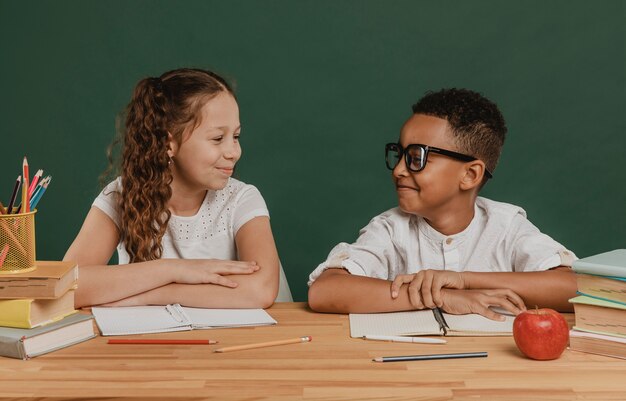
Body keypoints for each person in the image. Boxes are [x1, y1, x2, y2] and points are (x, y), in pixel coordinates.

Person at [308, 88, 577, 319]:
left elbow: (576, 287)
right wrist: (439, 297)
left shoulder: (506, 225)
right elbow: (325, 290)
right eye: (399, 154)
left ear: (470, 174)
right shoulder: (391, 230)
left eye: (416, 157)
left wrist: (464, 282)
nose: (399, 170)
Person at [65, 68, 292, 308]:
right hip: (156, 343)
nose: (234, 152)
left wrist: (149, 296)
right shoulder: (121, 195)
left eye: (236, 136)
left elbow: (261, 290)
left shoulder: (242, 199)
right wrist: (175, 270)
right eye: (217, 139)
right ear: (167, 143)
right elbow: (67, 286)